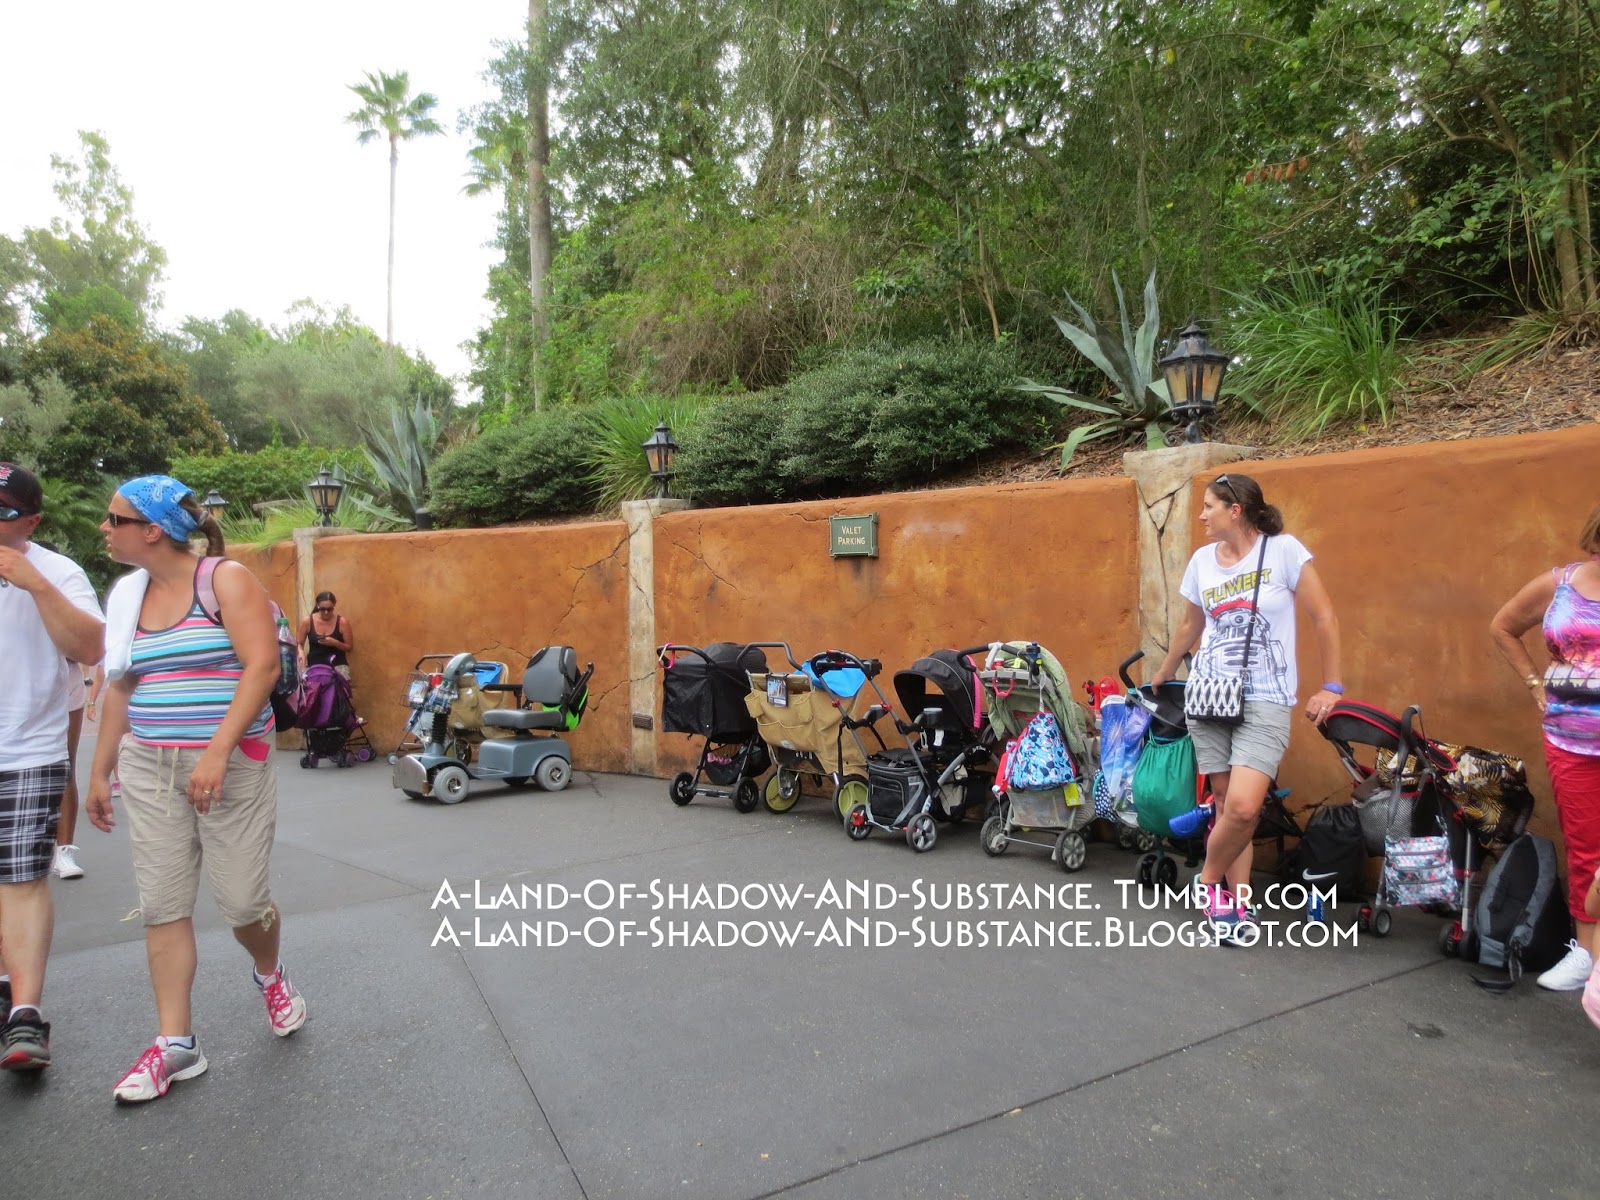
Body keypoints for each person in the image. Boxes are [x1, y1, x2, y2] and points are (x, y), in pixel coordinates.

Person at [85, 474, 307, 1104]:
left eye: (115, 519)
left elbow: (260, 667)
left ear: (153, 530)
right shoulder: (127, 596)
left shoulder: (224, 580)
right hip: (149, 766)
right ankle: (176, 1042)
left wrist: (216, 751)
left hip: (231, 764)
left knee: (243, 903)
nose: (104, 528)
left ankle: (269, 972)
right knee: (162, 903)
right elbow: (121, 685)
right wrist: (100, 770)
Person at [1151, 472, 1344, 945]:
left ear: (1235, 510)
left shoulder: (1283, 551)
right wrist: (1165, 670)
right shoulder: (1202, 561)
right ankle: (1238, 905)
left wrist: (1332, 686)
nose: (1201, 515)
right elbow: (1191, 625)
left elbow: (1324, 616)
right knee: (1223, 802)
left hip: (1267, 697)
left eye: (1209, 506)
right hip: (1208, 694)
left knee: (1243, 807)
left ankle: (1206, 883)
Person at [0, 462, 106, 1071]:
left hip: (26, 749)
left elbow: (90, 647)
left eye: (3, 512)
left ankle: (25, 1015)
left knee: (20, 879)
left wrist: (35, 585)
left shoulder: (59, 572)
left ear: (31, 522)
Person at [1490, 501, 1600, 991]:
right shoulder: (1560, 584)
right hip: (1571, 740)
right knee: (1587, 849)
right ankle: (1588, 956)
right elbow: (1503, 626)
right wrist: (1536, 683)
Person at [50, 661, 93, 879]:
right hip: (13, 685)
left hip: (63, 684)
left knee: (65, 764)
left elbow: (90, 654)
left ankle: (64, 851)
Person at [299, 591, 353, 678]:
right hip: (314, 667)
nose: (326, 612)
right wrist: (301, 652)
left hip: (337, 667)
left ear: (334, 606)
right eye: (322, 609)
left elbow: (349, 647)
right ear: (318, 606)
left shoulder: (342, 622)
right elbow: (299, 643)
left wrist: (335, 643)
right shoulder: (308, 621)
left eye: (329, 609)